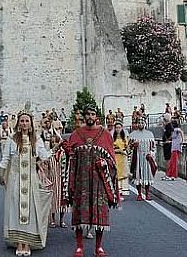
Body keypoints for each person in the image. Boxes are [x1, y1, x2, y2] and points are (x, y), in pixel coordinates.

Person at [63, 103, 118, 257]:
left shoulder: (105, 134)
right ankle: (79, 246)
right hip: (81, 181)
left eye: (93, 114)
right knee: (80, 212)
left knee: (100, 212)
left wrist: (104, 163)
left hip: (99, 181)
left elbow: (112, 160)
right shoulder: (76, 134)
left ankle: (98, 247)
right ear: (84, 116)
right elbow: (70, 159)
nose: (90, 117)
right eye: (87, 114)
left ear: (97, 117)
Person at [0, 112, 52, 256]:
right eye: (21, 121)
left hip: (31, 181)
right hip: (15, 179)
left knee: (30, 210)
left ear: (30, 123)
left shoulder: (36, 139)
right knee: (16, 208)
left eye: (26, 121)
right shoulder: (12, 139)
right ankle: (19, 242)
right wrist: (2, 173)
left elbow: (44, 156)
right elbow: (6, 158)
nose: (24, 123)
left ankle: (27, 243)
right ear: (18, 123)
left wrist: (57, 147)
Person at [38, 114, 66, 227]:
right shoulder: (41, 134)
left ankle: (61, 219)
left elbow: (60, 141)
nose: (46, 124)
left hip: (60, 173)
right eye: (45, 122)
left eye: (48, 122)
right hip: (47, 160)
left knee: (62, 198)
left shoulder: (54, 133)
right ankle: (51, 218)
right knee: (52, 196)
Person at [128, 116, 156, 200]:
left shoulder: (150, 134)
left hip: (147, 158)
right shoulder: (133, 134)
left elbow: (154, 147)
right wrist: (133, 146)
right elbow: (128, 147)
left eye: (142, 122)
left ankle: (147, 193)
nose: (140, 124)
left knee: (147, 175)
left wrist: (151, 154)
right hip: (137, 158)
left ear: (145, 123)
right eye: (139, 122)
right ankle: (139, 194)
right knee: (138, 176)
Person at [111, 122, 130, 197]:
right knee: (117, 174)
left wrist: (126, 151)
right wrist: (119, 150)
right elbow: (111, 148)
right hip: (116, 157)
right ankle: (118, 193)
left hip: (123, 158)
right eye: (117, 127)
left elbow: (127, 148)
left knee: (124, 174)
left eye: (119, 127)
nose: (118, 129)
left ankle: (123, 192)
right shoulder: (113, 138)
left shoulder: (124, 138)